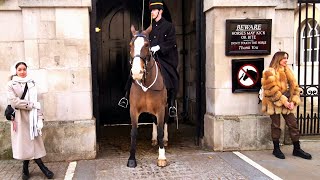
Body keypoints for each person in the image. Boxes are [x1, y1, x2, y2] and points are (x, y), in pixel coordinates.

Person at [118, 0, 179, 117]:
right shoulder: (150, 28)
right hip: (150, 57)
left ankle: (171, 105)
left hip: (164, 57)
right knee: (133, 70)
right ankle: (125, 97)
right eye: (151, 10)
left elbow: (172, 42)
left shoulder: (169, 26)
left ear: (160, 11)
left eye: (154, 10)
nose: (152, 12)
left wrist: (159, 47)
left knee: (172, 76)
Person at [7, 61, 54, 179]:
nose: (22, 72)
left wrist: (40, 118)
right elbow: (15, 102)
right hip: (19, 119)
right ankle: (43, 169)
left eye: (24, 69)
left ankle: (25, 169)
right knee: (26, 145)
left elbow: (38, 103)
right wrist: (31, 104)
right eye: (19, 69)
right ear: (16, 71)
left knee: (32, 144)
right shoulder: (11, 84)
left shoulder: (32, 84)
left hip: (32, 119)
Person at [261, 51, 312, 160]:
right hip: (274, 103)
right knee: (276, 125)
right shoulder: (269, 72)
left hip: (288, 103)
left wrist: (293, 101)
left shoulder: (288, 70)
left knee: (293, 124)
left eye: (287, 58)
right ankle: (276, 149)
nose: (286, 60)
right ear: (278, 58)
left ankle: (297, 149)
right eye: (284, 58)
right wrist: (285, 102)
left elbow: (295, 86)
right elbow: (271, 90)